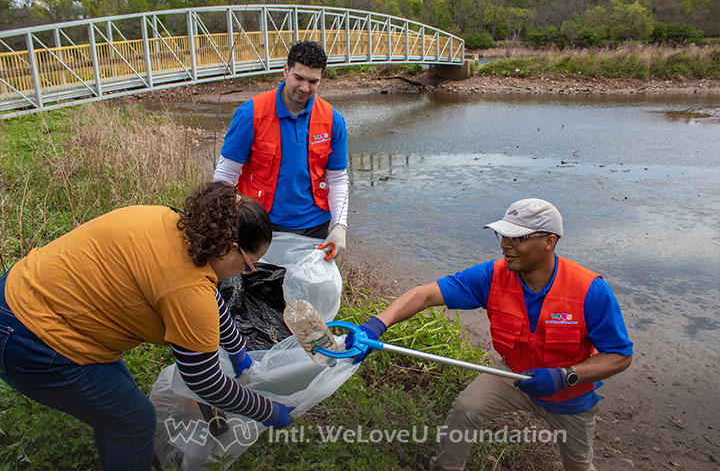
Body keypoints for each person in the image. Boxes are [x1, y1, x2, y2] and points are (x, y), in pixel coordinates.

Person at [0, 181, 293, 471]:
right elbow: (206, 382)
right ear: (227, 249)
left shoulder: (173, 222)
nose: (245, 273)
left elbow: (210, 292)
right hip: (33, 338)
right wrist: (268, 411)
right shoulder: (189, 292)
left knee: (120, 406)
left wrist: (237, 348)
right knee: (134, 422)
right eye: (247, 265)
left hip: (17, 291)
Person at [348, 198, 633, 471]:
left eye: (518, 238)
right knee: (467, 408)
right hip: (514, 375)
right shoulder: (492, 276)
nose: (505, 246)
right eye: (503, 236)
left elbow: (620, 356)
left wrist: (565, 375)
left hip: (570, 395)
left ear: (549, 242)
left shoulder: (589, 291)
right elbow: (423, 295)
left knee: (579, 465)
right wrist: (375, 326)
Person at [213, 41, 349, 261]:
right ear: (285, 71)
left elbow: (338, 179)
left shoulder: (332, 120)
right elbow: (225, 174)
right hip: (259, 222)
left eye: (313, 81)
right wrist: (220, 220)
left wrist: (339, 225)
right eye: (299, 78)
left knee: (306, 292)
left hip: (314, 226)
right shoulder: (251, 114)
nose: (305, 88)